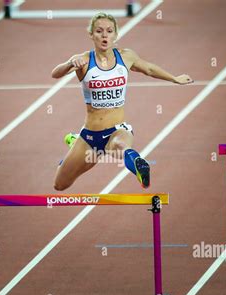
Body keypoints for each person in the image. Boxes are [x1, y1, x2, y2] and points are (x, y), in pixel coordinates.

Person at [51, 12, 193, 191]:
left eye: (109, 31)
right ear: (91, 35)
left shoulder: (126, 56)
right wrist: (70, 63)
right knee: (60, 185)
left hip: (116, 130)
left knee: (120, 146)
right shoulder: (84, 60)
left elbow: (148, 68)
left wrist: (174, 78)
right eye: (99, 31)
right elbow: (55, 74)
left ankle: (140, 168)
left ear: (115, 35)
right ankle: (76, 142)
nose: (104, 35)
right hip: (89, 136)